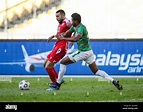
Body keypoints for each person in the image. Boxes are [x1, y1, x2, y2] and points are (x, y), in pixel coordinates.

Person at [48, 12, 123, 91]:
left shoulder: (81, 28)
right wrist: (56, 36)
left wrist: (63, 39)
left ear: (76, 21)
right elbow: (66, 33)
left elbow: (75, 39)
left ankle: (58, 84)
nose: (71, 21)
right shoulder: (74, 27)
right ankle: (113, 81)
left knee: (63, 62)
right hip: (89, 52)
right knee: (96, 71)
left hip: (83, 52)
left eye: (72, 20)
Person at [43, 9, 72, 90]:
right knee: (44, 64)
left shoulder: (67, 22)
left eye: (58, 16)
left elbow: (74, 27)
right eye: (56, 16)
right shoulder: (60, 24)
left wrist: (71, 39)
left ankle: (55, 84)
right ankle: (58, 79)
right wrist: (53, 36)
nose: (56, 18)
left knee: (48, 65)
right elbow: (61, 34)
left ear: (63, 15)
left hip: (62, 47)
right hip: (57, 46)